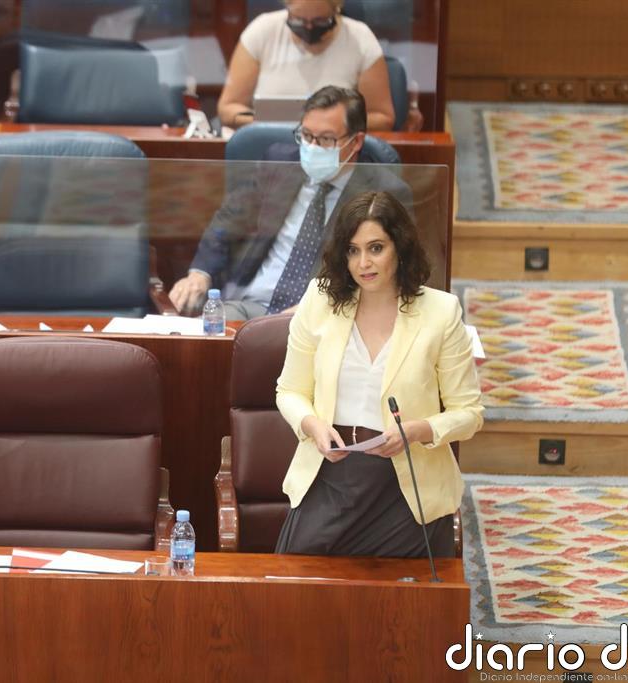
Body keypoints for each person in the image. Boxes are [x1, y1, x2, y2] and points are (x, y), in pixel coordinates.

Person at [274, 191, 483, 557]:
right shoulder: (319, 300)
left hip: (407, 486)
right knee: (298, 585)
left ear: (399, 247)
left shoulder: (441, 312)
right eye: (352, 250)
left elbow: (469, 414)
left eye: (376, 248)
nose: (363, 263)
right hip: (331, 474)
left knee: (401, 593)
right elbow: (289, 391)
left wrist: (417, 431)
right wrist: (312, 425)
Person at [170, 86, 410, 320]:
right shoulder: (280, 163)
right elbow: (229, 220)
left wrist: (316, 307)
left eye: (326, 139)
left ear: (356, 142)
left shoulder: (384, 192)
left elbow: (390, 273)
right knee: (199, 335)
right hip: (248, 306)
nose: (312, 147)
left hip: (324, 316)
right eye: (306, 135)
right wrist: (200, 274)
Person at [218, 0, 395, 131]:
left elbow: (383, 118)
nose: (309, 27)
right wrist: (266, 124)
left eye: (320, 21)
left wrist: (331, 126)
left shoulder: (360, 39)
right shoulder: (261, 31)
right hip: (267, 148)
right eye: (299, 20)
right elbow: (228, 108)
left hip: (333, 149)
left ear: (336, 10)